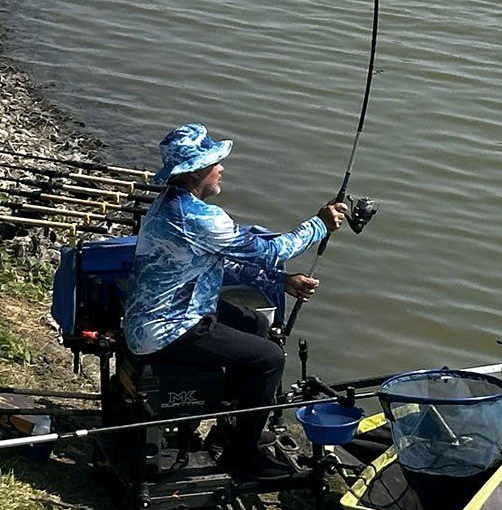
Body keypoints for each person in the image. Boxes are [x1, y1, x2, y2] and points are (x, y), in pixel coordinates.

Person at [122, 125, 347, 476]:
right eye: (216, 163)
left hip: (157, 314)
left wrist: (282, 281)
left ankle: (230, 424)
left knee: (256, 323)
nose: (222, 169)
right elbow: (270, 250)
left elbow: (221, 261)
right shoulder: (201, 218)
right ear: (197, 170)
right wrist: (319, 225)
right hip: (168, 329)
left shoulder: (168, 204)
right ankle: (241, 457)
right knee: (271, 358)